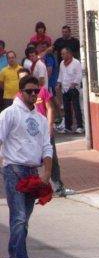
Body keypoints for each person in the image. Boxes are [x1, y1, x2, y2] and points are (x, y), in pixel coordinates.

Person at [0, 76, 53, 258]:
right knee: (19, 218)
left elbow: (47, 147)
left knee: (23, 220)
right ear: (21, 92)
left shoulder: (40, 119)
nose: (33, 95)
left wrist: (47, 173)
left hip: (32, 172)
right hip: (14, 170)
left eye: (36, 91)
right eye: (29, 91)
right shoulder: (9, 114)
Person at [19, 67, 71, 197]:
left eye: (26, 76)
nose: (32, 93)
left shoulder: (41, 91)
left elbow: (49, 108)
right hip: (30, 134)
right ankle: (32, 187)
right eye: (21, 78)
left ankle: (57, 186)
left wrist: (50, 125)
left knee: (52, 158)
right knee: (30, 160)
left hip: (45, 131)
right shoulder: (19, 97)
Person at [56, 47, 84, 134]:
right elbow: (61, 74)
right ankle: (68, 126)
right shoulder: (62, 63)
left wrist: (74, 84)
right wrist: (59, 83)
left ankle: (80, 126)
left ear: (69, 54)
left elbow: (79, 76)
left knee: (76, 108)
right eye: (61, 54)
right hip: (65, 89)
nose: (62, 55)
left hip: (73, 89)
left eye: (63, 54)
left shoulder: (76, 63)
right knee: (66, 108)